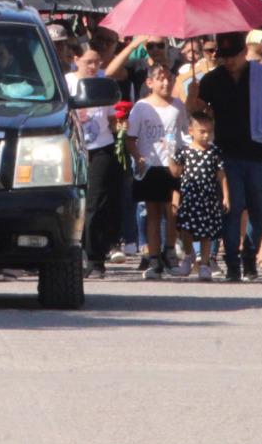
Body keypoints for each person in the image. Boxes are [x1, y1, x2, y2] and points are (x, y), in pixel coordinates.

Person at [191, 31, 262, 282]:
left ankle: (250, 255)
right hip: (226, 155)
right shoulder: (212, 79)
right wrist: (193, 95)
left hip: (257, 152)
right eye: (223, 56)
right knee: (231, 210)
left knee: (259, 210)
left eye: (233, 56)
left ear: (244, 52)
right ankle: (233, 262)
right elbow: (196, 115)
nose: (228, 61)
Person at [127, 60, 189, 279]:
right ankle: (153, 258)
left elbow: (185, 132)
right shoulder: (141, 107)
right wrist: (138, 157)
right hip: (151, 166)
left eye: (169, 78)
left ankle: (170, 252)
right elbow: (130, 139)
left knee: (172, 211)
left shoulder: (178, 106)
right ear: (150, 82)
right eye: (160, 78)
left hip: (172, 165)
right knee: (153, 213)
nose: (165, 82)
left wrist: (182, 160)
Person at [68, 43, 120, 278]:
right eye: (89, 61)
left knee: (96, 203)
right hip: (73, 148)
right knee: (74, 203)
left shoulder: (103, 81)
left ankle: (96, 258)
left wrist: (121, 125)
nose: (94, 66)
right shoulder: (66, 82)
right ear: (75, 59)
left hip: (101, 148)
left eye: (97, 62)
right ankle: (74, 252)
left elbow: (110, 117)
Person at [167, 112, 229, 280]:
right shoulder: (184, 152)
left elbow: (221, 175)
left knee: (206, 234)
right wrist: (169, 155)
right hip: (189, 198)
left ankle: (204, 264)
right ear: (191, 131)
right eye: (202, 131)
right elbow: (176, 173)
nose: (206, 135)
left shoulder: (214, 152)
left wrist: (225, 196)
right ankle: (188, 257)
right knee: (186, 229)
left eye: (209, 131)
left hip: (208, 199)